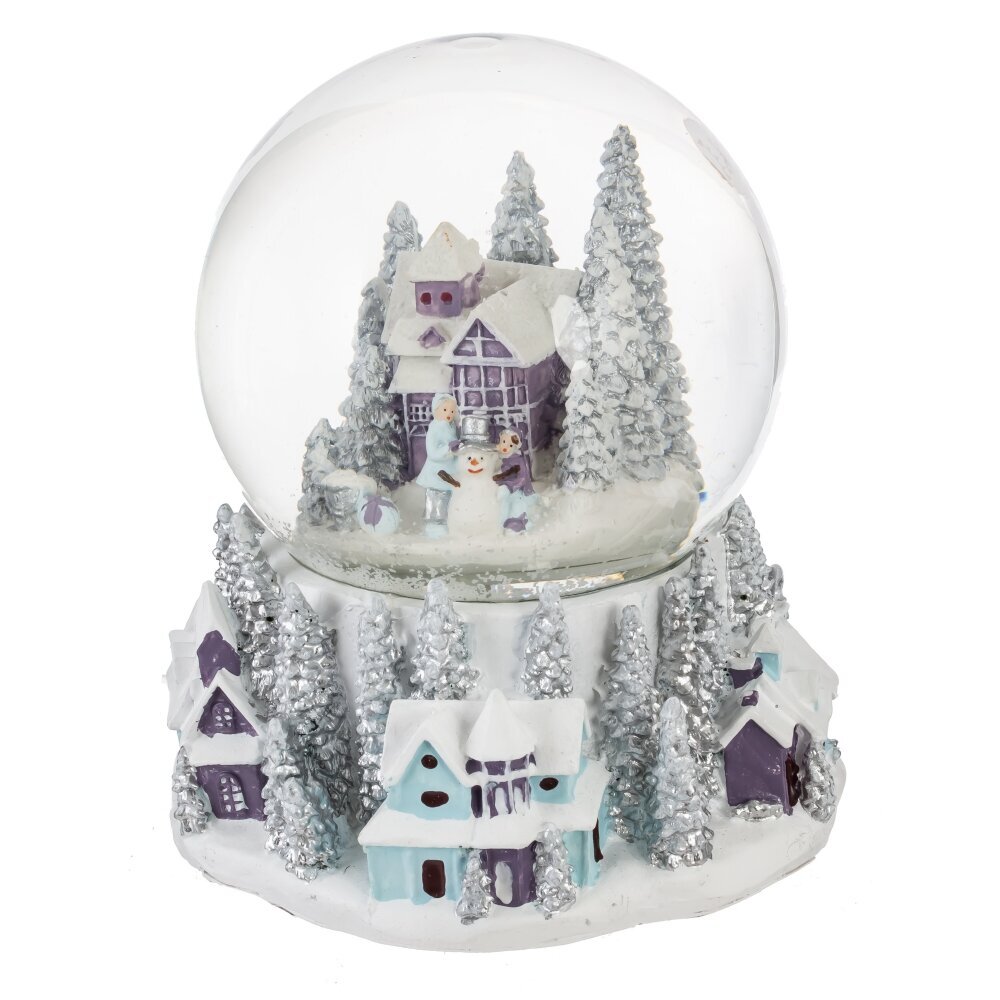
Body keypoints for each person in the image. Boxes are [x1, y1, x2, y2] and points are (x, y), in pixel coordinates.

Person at [415, 393, 461, 537]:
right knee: (435, 498)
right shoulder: (435, 427)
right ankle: (433, 525)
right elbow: (432, 452)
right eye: (445, 410)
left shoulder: (451, 426)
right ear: (436, 410)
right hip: (436, 472)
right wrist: (449, 448)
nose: (449, 414)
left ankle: (444, 522)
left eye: (452, 411)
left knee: (446, 499)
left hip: (448, 471)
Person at [493, 427, 537, 532]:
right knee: (502, 504)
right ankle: (500, 523)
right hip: (504, 488)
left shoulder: (517, 460)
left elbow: (522, 478)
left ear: (515, 447)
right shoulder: (502, 457)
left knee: (515, 504)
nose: (505, 447)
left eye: (510, 445)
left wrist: (508, 487)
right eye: (504, 441)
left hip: (517, 490)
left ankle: (517, 523)